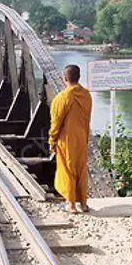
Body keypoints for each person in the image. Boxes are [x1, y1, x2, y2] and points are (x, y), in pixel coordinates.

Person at [49, 64, 93, 213]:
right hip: (81, 137)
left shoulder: (62, 98)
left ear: (65, 78)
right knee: (80, 170)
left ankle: (71, 205)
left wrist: (52, 140)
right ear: (79, 77)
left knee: (67, 170)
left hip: (66, 139)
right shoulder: (86, 95)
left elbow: (56, 123)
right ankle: (84, 204)